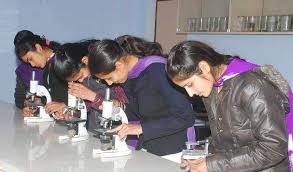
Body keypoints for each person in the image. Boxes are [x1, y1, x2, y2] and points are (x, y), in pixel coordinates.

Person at [166, 40, 290, 171]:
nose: (190, 94)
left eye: (189, 84)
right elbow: (225, 138)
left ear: (204, 68)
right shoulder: (212, 88)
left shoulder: (251, 86)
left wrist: (212, 164)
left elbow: (274, 147)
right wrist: (198, 154)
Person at [87, 35, 195, 159]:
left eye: (109, 78)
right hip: (150, 147)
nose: (109, 84)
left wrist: (141, 128)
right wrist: (116, 107)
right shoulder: (128, 76)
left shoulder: (158, 70)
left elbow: (186, 117)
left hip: (175, 149)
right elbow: (140, 112)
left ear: (119, 65)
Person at [53, 41, 128, 131]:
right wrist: (69, 113)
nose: (81, 81)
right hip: (95, 130)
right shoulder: (86, 81)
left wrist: (92, 96)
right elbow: (86, 107)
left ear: (85, 61)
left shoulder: (111, 77)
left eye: (80, 76)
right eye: (77, 80)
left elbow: (125, 107)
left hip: (118, 130)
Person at [14, 30, 67, 117]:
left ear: (38, 48)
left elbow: (77, 92)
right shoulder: (45, 68)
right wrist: (36, 102)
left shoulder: (64, 61)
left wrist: (65, 104)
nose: (32, 65)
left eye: (31, 59)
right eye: (28, 62)